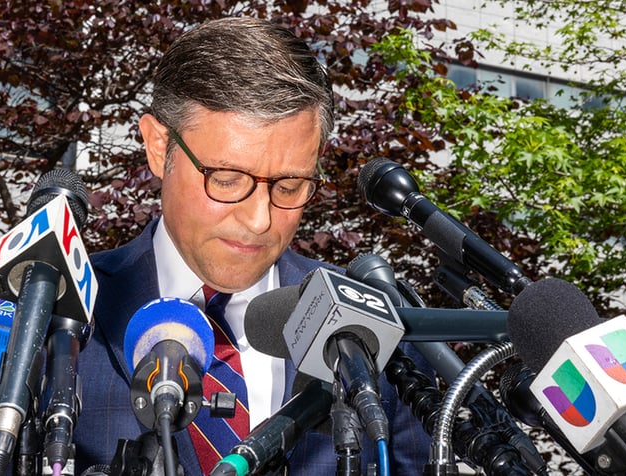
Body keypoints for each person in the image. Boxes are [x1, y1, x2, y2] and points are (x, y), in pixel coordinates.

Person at [74, 16, 433, 475]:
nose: (260, 220)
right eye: (227, 179)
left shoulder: (378, 323)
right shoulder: (56, 314)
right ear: (158, 146)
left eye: (289, 185)